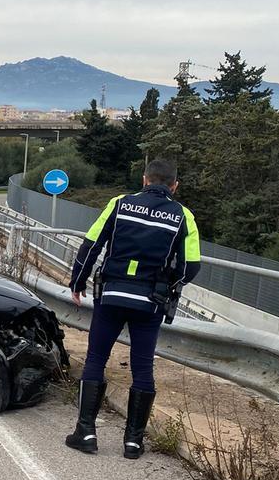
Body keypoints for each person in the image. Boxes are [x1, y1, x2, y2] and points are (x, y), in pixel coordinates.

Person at [64, 158, 201, 459]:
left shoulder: (119, 203)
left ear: (144, 180)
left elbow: (91, 244)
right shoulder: (184, 216)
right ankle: (133, 442)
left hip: (111, 295)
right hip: (150, 302)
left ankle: (85, 433)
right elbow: (191, 267)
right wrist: (165, 284)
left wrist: (78, 281)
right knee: (142, 367)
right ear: (174, 186)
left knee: (96, 359)